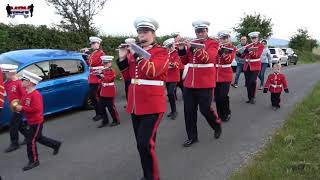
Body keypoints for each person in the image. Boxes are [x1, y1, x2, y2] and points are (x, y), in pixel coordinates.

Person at [117, 17, 168, 180]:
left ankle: (153, 177)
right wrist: (123, 58)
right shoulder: (135, 52)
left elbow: (152, 71)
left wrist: (138, 54)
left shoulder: (161, 52)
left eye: (145, 32)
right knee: (144, 145)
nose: (142, 36)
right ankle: (148, 174)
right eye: (139, 32)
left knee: (144, 143)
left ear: (153, 34)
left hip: (153, 104)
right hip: (136, 104)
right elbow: (128, 77)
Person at [177, 20, 222, 148]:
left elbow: (208, 58)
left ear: (207, 31)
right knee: (189, 111)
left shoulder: (213, 43)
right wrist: (181, 49)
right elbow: (185, 61)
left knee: (205, 109)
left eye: (203, 30)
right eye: (198, 31)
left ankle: (216, 124)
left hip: (205, 82)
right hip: (189, 83)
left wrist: (193, 47)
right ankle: (192, 137)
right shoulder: (193, 42)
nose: (200, 33)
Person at [15, 70, 61, 171]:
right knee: (39, 138)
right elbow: (22, 104)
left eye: (23, 80)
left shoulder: (36, 95)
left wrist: (22, 108)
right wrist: (17, 105)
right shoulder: (26, 93)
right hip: (31, 121)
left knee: (30, 141)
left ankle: (34, 161)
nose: (21, 81)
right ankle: (56, 144)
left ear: (30, 82)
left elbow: (37, 109)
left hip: (36, 122)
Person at [0, 64, 28, 153]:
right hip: (13, 107)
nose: (3, 75)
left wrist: (21, 107)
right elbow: (3, 91)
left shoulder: (19, 83)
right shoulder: (7, 82)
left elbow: (25, 96)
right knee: (19, 124)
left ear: (11, 73)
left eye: (5, 73)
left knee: (12, 124)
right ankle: (28, 137)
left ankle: (14, 143)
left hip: (19, 108)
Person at [236, 32, 264, 104]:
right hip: (247, 66)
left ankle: (253, 97)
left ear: (258, 38)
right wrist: (237, 53)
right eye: (252, 38)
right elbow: (242, 56)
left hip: (255, 66)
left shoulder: (260, 45)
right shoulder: (248, 45)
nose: (254, 39)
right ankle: (250, 98)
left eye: (255, 38)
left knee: (252, 81)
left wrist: (249, 50)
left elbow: (257, 55)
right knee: (248, 82)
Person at [82, 36, 105, 121]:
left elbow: (93, 62)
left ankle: (101, 113)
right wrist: (85, 57)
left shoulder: (101, 53)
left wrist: (87, 54)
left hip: (97, 77)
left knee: (96, 97)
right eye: (91, 43)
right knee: (93, 97)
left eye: (94, 43)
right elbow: (89, 64)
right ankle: (98, 113)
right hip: (92, 77)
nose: (92, 45)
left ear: (98, 44)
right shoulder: (93, 53)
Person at [215, 31, 236, 122]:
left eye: (226, 38)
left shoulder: (232, 48)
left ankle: (227, 112)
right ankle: (220, 114)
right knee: (217, 97)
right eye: (223, 38)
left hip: (226, 74)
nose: (224, 40)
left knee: (223, 96)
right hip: (216, 74)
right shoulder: (215, 47)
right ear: (219, 39)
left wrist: (222, 52)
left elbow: (229, 61)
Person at [96, 56, 120, 128]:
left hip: (110, 91)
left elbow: (108, 79)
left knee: (111, 108)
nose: (105, 64)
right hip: (103, 91)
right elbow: (101, 80)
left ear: (110, 63)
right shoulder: (104, 70)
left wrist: (101, 75)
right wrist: (98, 75)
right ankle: (105, 121)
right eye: (104, 63)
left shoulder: (112, 70)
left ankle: (116, 120)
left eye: (107, 63)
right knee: (101, 107)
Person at [163, 38, 180, 120]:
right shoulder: (166, 54)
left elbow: (175, 64)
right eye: (168, 46)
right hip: (167, 77)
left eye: (171, 46)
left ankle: (175, 111)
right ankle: (173, 111)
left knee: (170, 93)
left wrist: (168, 64)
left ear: (174, 45)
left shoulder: (176, 53)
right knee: (170, 95)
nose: (170, 48)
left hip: (174, 77)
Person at [171, 32, 184, 100]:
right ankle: (173, 96)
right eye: (176, 37)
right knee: (174, 83)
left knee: (181, 82)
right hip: (175, 66)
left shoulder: (183, 44)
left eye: (178, 37)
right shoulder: (172, 46)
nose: (177, 38)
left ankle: (184, 94)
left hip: (181, 65)